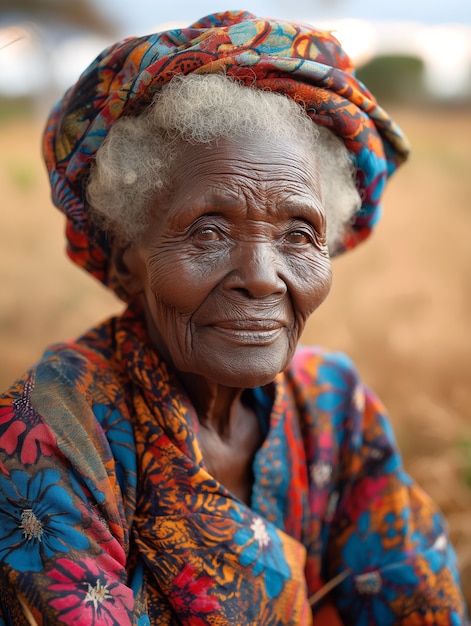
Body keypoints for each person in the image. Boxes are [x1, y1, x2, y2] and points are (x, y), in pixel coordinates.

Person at [0, 10, 467, 626]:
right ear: (122, 260)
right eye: (209, 230)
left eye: (299, 233)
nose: (262, 275)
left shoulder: (334, 407)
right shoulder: (50, 430)